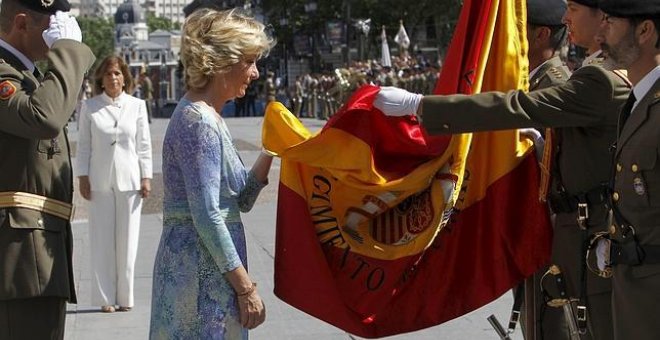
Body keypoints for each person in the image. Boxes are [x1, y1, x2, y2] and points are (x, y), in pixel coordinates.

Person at [373, 1, 631, 339]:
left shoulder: (594, 79)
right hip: (562, 229)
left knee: (565, 325)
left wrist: (419, 105)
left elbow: (517, 107)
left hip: (575, 229)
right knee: (551, 320)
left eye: (576, 9)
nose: (568, 17)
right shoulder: (590, 71)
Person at [149, 8, 275, 339]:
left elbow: (242, 198)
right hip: (199, 275)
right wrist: (246, 288)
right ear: (221, 62)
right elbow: (207, 214)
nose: (256, 72)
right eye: (249, 61)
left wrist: (272, 149)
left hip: (207, 270)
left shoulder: (210, 117)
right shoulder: (199, 122)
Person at [0, 0, 95, 338]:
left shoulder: (28, 75)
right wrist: (68, 50)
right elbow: (46, 117)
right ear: (22, 24)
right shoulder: (3, 72)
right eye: (53, 27)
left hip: (34, 250)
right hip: (18, 258)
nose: (59, 35)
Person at [597, 1, 660, 339]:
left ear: (645, 30)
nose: (599, 32)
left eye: (610, 21)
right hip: (634, 291)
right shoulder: (638, 102)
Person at [76, 55, 153, 313]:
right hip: (99, 180)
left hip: (130, 179)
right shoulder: (90, 107)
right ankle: (105, 298)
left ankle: (125, 297)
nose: (113, 78)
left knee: (128, 241)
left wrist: (146, 176)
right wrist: (83, 176)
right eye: (108, 74)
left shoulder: (137, 106)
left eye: (118, 73)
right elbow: (84, 145)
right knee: (101, 240)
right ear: (101, 78)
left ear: (125, 78)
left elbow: (143, 144)